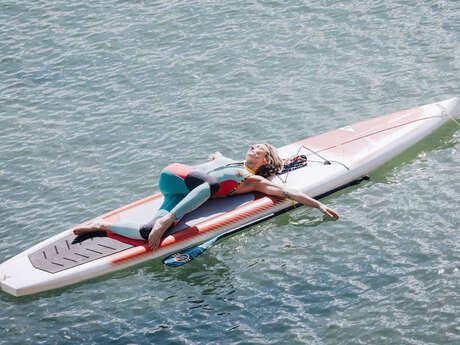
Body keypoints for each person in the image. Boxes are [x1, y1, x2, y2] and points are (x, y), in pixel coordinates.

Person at [73, 143, 339, 250]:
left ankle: (102, 227)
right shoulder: (229, 162)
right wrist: (216, 157)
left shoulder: (252, 180)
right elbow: (215, 159)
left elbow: (285, 191)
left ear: (265, 159)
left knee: (147, 232)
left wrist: (317, 204)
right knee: (210, 184)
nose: (253, 146)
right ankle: (168, 221)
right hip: (176, 175)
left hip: (180, 193)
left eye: (259, 148)